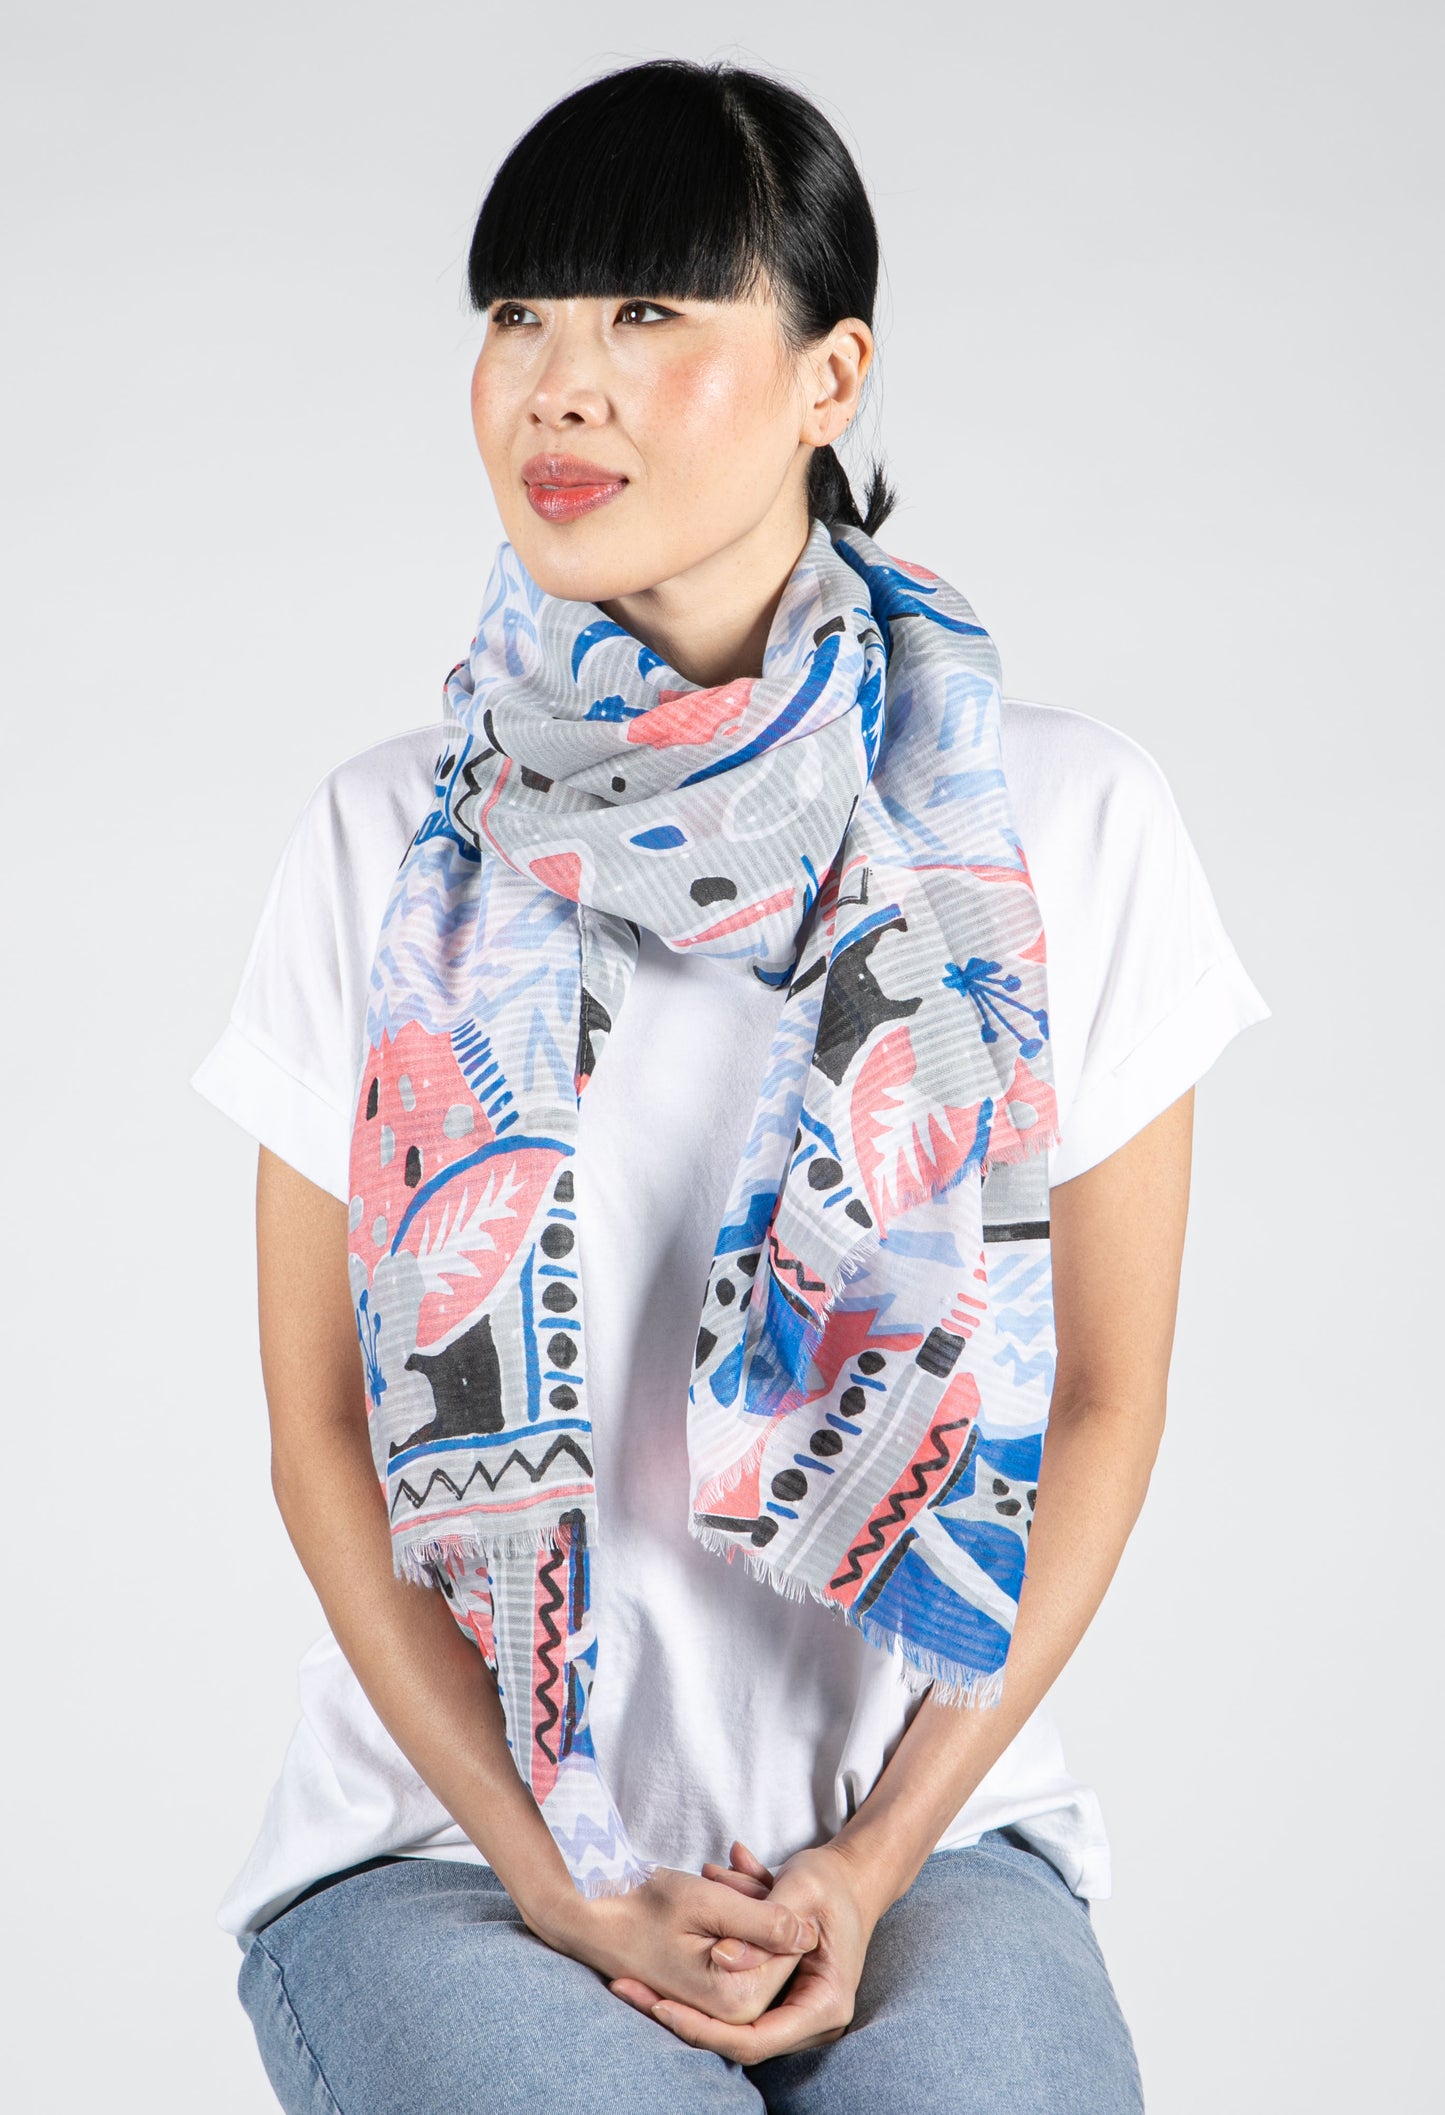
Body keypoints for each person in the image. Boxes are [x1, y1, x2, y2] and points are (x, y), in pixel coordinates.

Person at [191, 57, 1270, 2115]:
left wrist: (874, 1858)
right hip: (449, 1850)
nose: (557, 386)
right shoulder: (391, 841)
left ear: (828, 375)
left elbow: (1106, 1402)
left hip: (924, 1823)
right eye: (520, 314)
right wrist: (564, 1880)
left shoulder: (1054, 823)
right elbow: (320, 1433)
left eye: (647, 311)